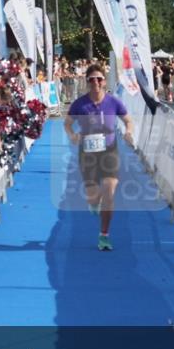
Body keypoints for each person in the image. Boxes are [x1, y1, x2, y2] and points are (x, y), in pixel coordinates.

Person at [63, 64, 135, 252]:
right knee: (93, 197)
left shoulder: (113, 102)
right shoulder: (80, 104)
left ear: (104, 81)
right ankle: (94, 203)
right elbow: (67, 123)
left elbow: (128, 120)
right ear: (87, 82)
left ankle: (104, 235)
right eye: (92, 79)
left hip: (110, 150)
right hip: (88, 153)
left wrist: (128, 132)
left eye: (99, 79)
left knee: (109, 192)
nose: (96, 82)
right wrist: (72, 135)